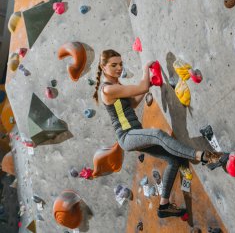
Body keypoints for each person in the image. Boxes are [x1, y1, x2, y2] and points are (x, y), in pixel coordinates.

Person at [93, 49, 225, 218]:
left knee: (173, 160)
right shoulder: (107, 90)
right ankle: (204, 156)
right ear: (103, 67)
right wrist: (145, 71)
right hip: (127, 136)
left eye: (120, 64)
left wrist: (147, 89)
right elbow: (142, 86)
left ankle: (164, 206)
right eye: (114, 65)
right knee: (157, 134)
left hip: (136, 133)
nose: (119, 68)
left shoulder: (116, 86)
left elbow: (132, 104)